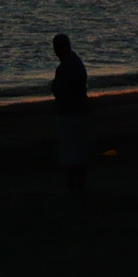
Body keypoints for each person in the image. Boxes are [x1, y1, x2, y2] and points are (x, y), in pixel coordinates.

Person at [51, 33, 90, 192]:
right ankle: (78, 183)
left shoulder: (66, 68)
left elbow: (60, 90)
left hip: (70, 113)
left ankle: (73, 185)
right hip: (78, 111)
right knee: (77, 150)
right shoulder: (76, 64)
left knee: (70, 151)